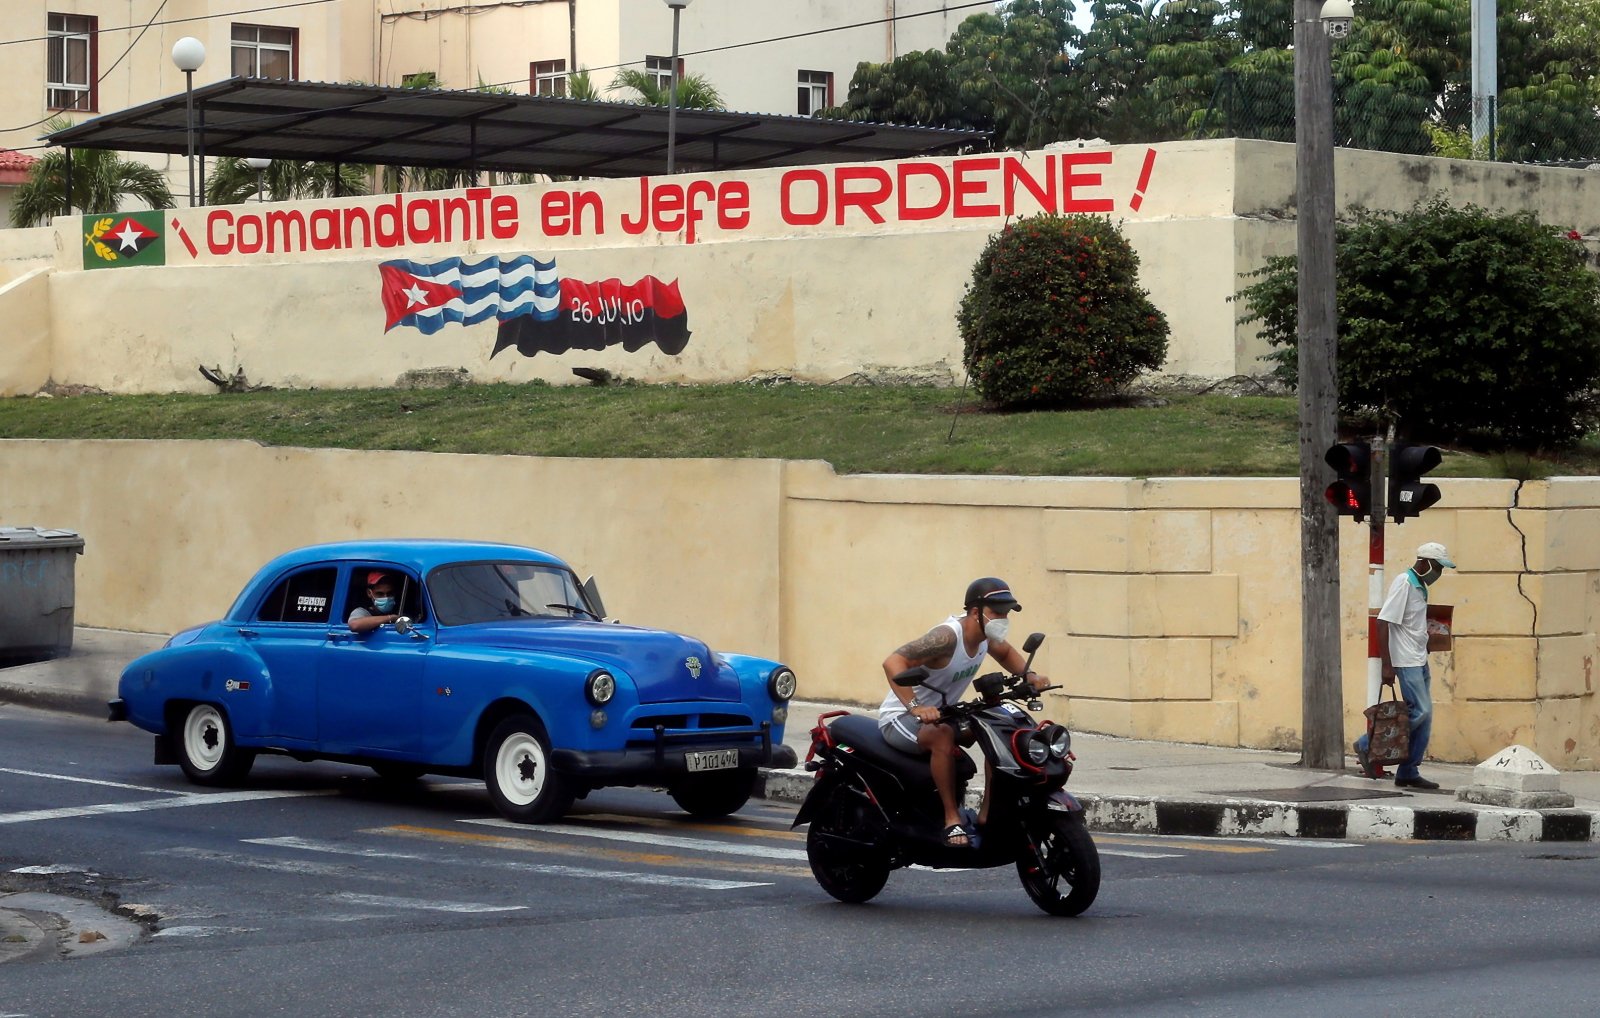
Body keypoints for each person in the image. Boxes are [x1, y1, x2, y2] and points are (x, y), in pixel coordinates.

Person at [880, 577, 1051, 848]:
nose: (1002, 618)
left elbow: (1005, 653)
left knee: (997, 730)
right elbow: (893, 662)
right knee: (941, 735)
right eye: (996, 612)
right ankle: (951, 819)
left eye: (1006, 612)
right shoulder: (947, 638)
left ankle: (987, 812)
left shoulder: (985, 637)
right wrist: (916, 708)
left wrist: (1029, 675)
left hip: (944, 714)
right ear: (975, 612)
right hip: (901, 719)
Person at [1354, 541, 1455, 789]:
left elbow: (1411, 623)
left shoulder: (1420, 587)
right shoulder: (1405, 582)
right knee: (1421, 711)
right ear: (1425, 563)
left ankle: (1408, 771)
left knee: (1426, 717)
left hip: (1419, 657)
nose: (1439, 574)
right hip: (1405, 660)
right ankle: (1367, 744)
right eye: (1437, 568)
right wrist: (1387, 666)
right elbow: (1383, 622)